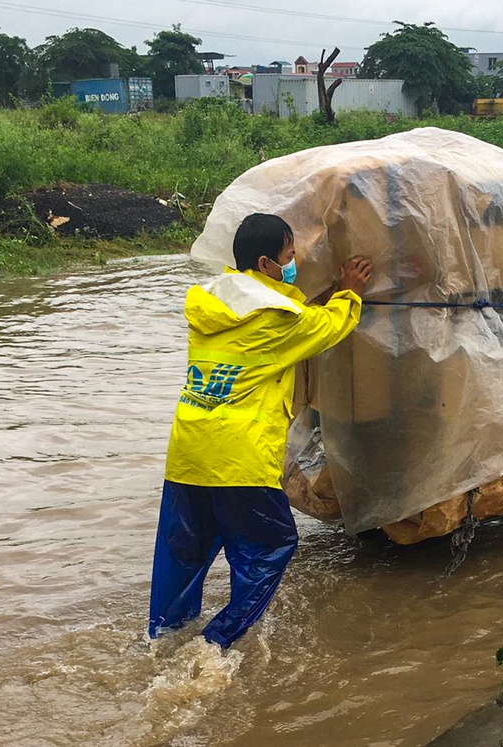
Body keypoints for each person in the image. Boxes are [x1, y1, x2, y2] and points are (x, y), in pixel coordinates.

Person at [148, 213, 373, 649]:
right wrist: (351, 293)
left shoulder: (212, 299)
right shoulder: (276, 320)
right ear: (268, 263)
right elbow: (326, 327)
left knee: (183, 554)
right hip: (241, 457)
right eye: (291, 256)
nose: (296, 263)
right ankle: (216, 644)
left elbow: (290, 313)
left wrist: (321, 294)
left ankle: (163, 639)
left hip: (189, 452)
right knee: (272, 545)